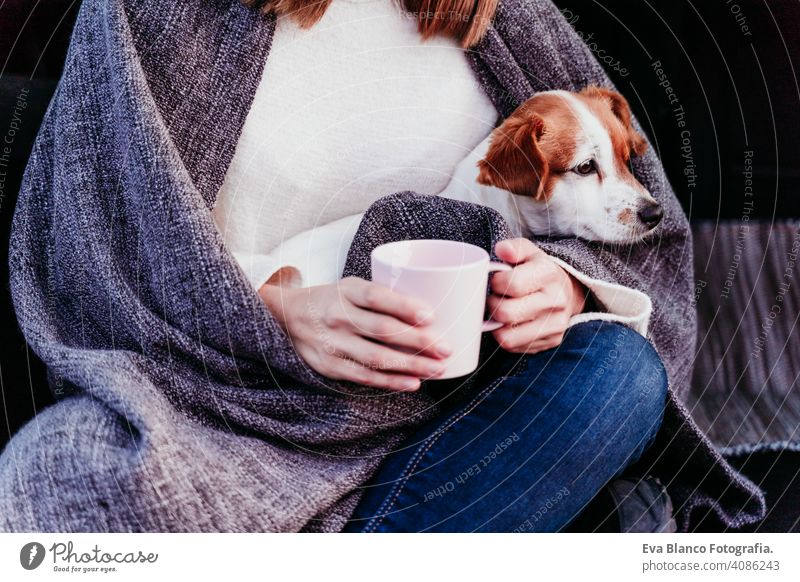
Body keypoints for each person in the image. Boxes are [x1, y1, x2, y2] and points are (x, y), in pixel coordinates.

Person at [214, 0, 668, 531]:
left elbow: (646, 238)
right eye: (589, 168)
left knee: (618, 372)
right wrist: (277, 309)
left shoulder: (507, 18)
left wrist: (567, 285)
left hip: (453, 399)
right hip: (249, 376)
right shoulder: (173, 24)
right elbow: (123, 245)